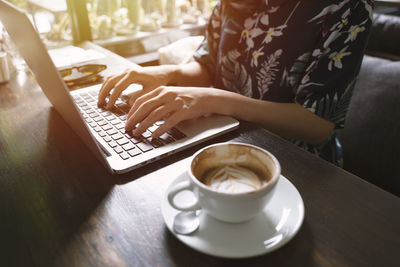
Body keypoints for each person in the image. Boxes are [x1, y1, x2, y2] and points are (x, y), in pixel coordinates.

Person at [98, 0, 373, 164]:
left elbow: (316, 126)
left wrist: (216, 100)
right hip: (224, 140)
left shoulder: (348, 7)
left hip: (297, 163)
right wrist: (168, 74)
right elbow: (206, 65)